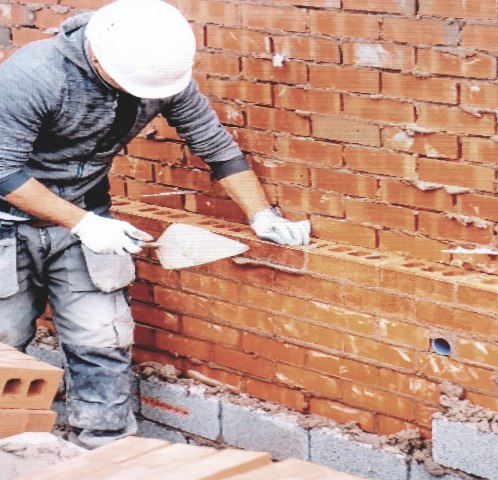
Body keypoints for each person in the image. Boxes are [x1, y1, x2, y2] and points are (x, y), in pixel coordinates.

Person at [0, 0, 310, 449]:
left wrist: (261, 214)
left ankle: (107, 451)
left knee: (101, 336)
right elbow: (2, 170)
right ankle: (12, 444)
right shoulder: (35, 75)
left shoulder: (160, 72)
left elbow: (215, 146)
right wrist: (85, 224)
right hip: (8, 221)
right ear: (99, 57)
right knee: (5, 341)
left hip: (87, 217)